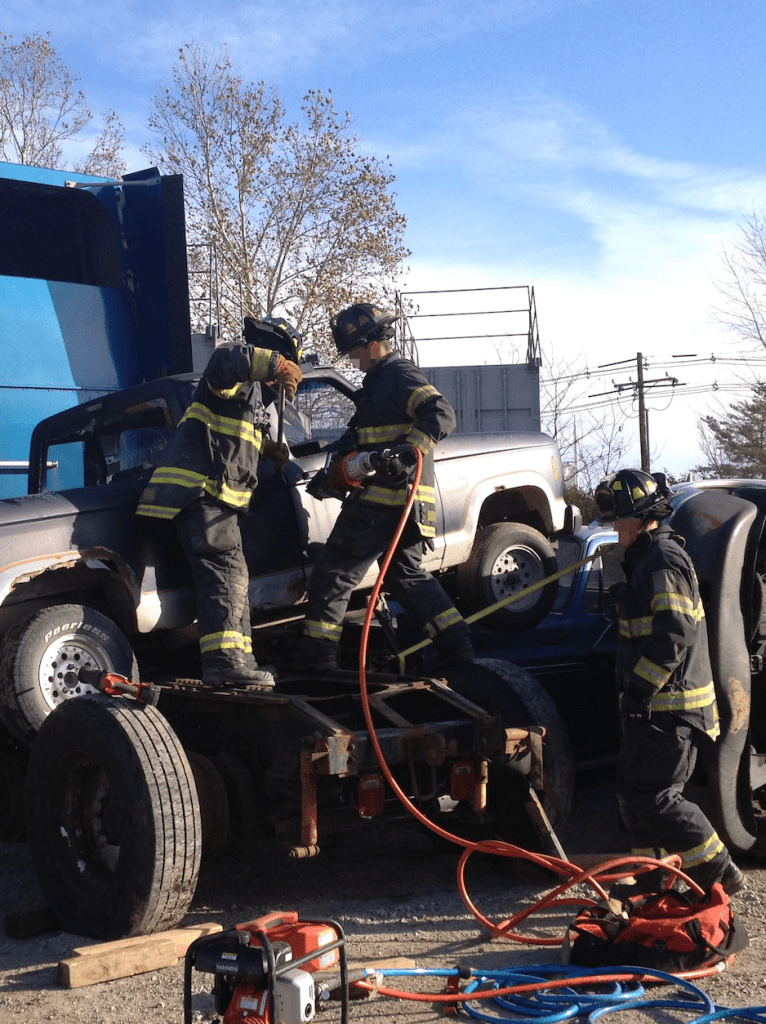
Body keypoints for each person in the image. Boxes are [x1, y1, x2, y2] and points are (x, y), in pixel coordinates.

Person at [300, 301, 474, 673]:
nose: (353, 360)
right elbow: (363, 438)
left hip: (384, 501)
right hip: (405, 506)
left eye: (354, 351)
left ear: (371, 343)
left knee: (335, 572)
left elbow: (441, 413)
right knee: (405, 576)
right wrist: (332, 472)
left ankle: (317, 658)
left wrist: (408, 454)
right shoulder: (377, 385)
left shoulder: (398, 374)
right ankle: (456, 645)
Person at [594, 468, 745, 896]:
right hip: (651, 711)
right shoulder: (645, 560)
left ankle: (720, 872)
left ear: (643, 518)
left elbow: (676, 631)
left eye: (620, 520)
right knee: (633, 796)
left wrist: (641, 689)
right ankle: (652, 880)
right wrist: (624, 599)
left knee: (658, 797)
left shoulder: (663, 558)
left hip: (671, 709)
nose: (615, 529)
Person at [136, 316, 303, 689]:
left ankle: (242, 662)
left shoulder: (249, 398)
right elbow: (224, 361)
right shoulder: (233, 374)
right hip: (202, 494)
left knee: (234, 577)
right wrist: (276, 364)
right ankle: (224, 665)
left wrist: (268, 449)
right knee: (226, 575)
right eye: (284, 364)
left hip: (215, 502)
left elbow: (230, 442)